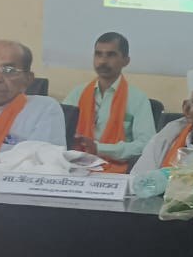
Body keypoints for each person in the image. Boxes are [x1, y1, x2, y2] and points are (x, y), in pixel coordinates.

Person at [61, 32, 156, 173]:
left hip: (116, 174)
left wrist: (99, 148)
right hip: (74, 169)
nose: (102, 61)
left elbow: (146, 145)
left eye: (111, 55)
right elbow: (60, 131)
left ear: (126, 60)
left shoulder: (137, 99)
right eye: (98, 54)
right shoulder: (78, 93)